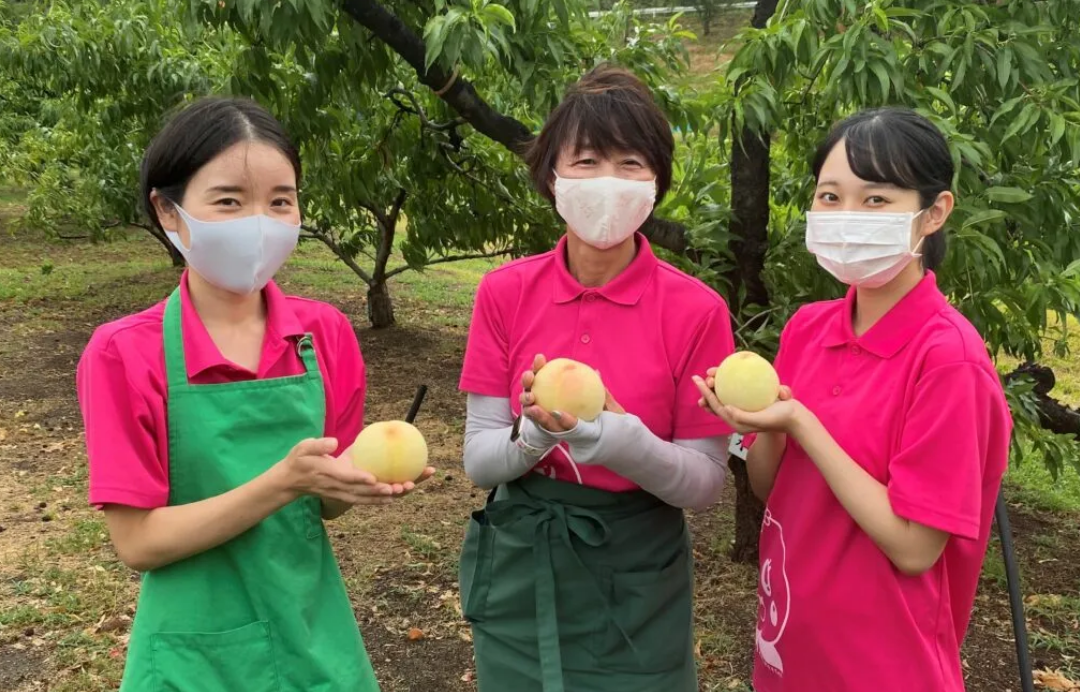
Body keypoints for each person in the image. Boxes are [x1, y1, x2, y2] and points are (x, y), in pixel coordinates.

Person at [76, 97, 433, 691]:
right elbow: (137, 541)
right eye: (229, 201)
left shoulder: (325, 336)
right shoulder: (124, 353)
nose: (259, 222)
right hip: (196, 654)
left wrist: (354, 484)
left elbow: (322, 505)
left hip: (313, 635)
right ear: (168, 211)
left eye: (280, 201)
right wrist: (283, 481)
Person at [694, 107, 1013, 692]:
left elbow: (915, 547)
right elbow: (774, 489)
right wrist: (758, 424)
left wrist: (801, 421)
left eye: (875, 201)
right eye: (830, 196)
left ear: (933, 213)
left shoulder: (949, 361)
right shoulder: (808, 330)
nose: (846, 217)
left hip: (885, 666)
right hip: (789, 650)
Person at [457, 64, 736, 692]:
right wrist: (534, 438)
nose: (607, 182)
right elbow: (479, 461)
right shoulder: (505, 293)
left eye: (630, 163)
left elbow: (703, 483)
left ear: (657, 181)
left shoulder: (696, 311)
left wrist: (616, 438)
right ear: (551, 173)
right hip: (523, 561)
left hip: (637, 570)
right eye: (585, 161)